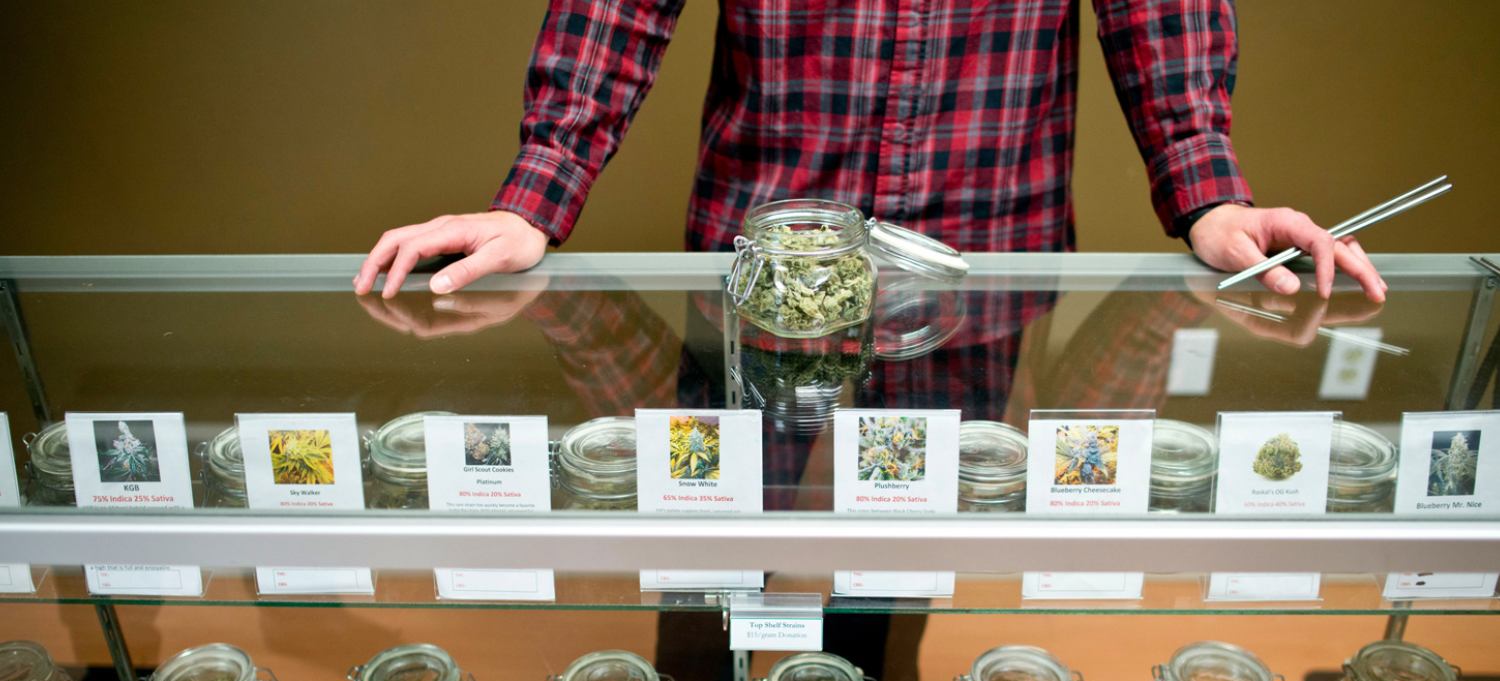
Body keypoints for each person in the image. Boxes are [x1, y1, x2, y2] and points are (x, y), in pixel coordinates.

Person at [355, 0, 1385, 302]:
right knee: (720, 566)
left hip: (980, 270)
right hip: (762, 266)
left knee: (911, 570)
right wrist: (537, 193)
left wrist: (1208, 190)